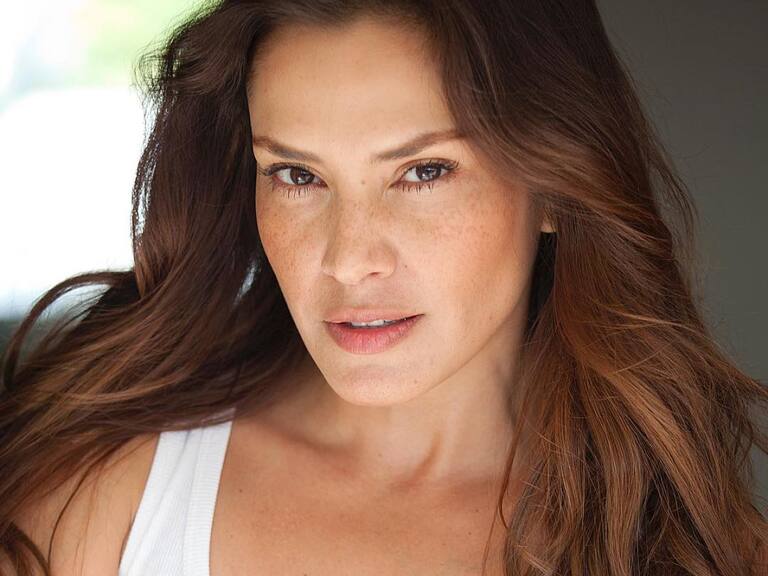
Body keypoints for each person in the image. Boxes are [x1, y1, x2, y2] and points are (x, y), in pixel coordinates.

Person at [1, 1, 766, 574]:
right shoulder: (109, 491)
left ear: (555, 190)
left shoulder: (694, 550)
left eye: (423, 171)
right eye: (297, 175)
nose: (348, 259)